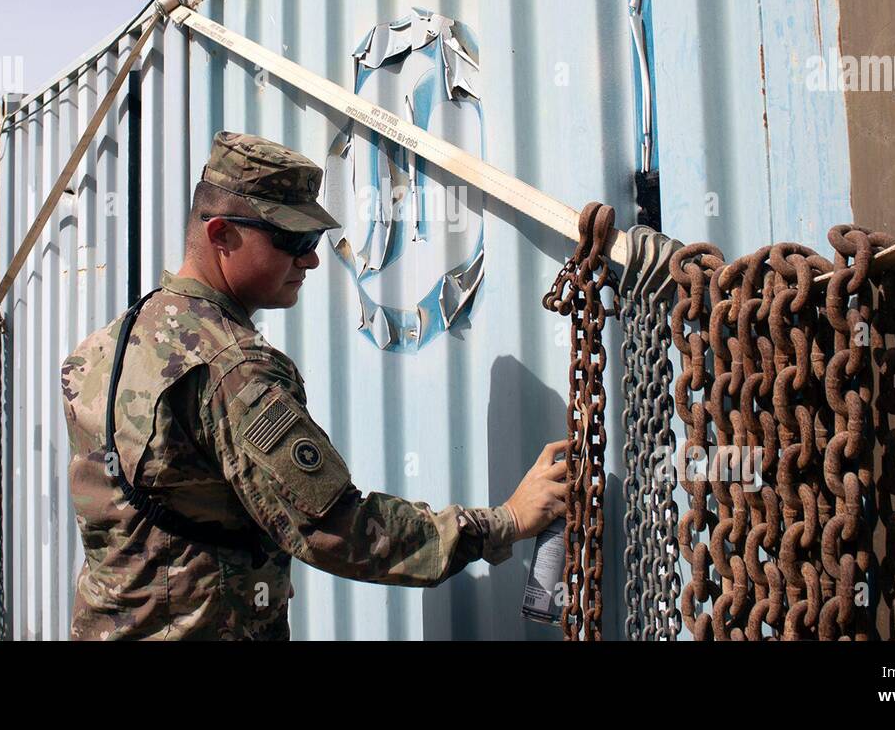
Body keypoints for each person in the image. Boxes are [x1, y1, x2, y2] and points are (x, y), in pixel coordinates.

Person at [60, 130, 567, 639]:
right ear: (221, 236)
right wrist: (505, 523)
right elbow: (336, 529)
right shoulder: (233, 369)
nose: (311, 260)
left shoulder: (107, 346)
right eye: (292, 241)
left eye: (315, 241)